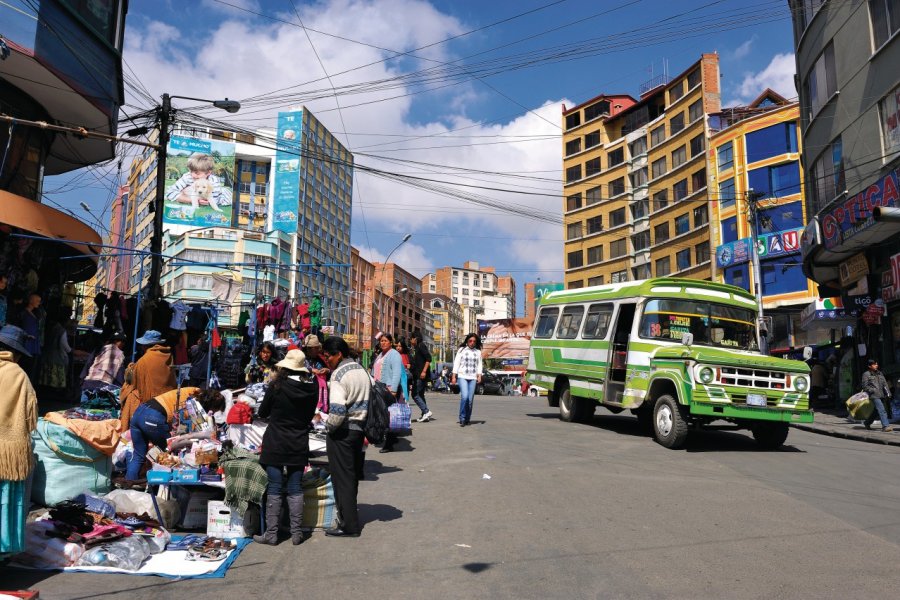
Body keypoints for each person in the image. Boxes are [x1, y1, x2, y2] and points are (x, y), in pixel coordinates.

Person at [253, 349, 319, 546]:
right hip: (298, 441)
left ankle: (271, 534)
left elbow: (263, 412)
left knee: (274, 486)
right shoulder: (312, 388)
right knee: (295, 487)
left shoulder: (277, 386)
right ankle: (296, 533)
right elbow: (308, 417)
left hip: (275, 441)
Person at [124, 387, 225, 485]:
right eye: (215, 410)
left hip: (139, 413)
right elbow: (189, 427)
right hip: (153, 417)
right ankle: (164, 486)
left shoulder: (196, 392)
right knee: (167, 451)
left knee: (138, 455)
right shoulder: (196, 400)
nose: (213, 413)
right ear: (212, 404)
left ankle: (129, 486)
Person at [321, 336, 369, 538]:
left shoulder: (339, 375)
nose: (326, 360)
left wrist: (328, 427)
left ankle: (349, 524)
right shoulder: (361, 370)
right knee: (351, 477)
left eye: (328, 356)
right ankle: (348, 518)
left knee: (343, 479)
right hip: (359, 430)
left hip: (343, 431)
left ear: (338, 354)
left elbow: (338, 411)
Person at [0, 325, 38, 557]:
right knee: (5, 499)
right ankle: (3, 549)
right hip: (10, 455)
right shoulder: (19, 375)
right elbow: (31, 415)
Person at [119, 330, 176, 432]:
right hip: (167, 401)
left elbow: (135, 384)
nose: (141, 347)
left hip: (151, 404)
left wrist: (131, 368)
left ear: (146, 345)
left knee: (131, 395)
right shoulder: (168, 356)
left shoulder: (144, 360)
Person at [164, 152, 231, 216]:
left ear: (208, 173)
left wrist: (186, 193)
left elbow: (212, 200)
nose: (193, 175)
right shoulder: (187, 176)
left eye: (197, 173)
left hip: (222, 196)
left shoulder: (213, 181)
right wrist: (190, 200)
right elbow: (170, 192)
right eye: (191, 171)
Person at [373, 333, 403, 452]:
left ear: (391, 342)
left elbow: (397, 372)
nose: (383, 343)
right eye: (381, 341)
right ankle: (389, 438)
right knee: (382, 414)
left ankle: (389, 443)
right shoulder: (381, 354)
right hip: (379, 387)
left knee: (388, 416)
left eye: (385, 341)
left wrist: (394, 389)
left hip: (389, 388)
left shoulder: (394, 354)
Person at [452, 333, 483, 427]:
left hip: (473, 377)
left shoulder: (478, 352)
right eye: (470, 341)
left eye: (474, 341)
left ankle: (467, 418)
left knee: (470, 400)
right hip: (462, 376)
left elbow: (480, 364)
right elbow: (456, 363)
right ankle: (462, 418)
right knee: (464, 397)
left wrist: (479, 375)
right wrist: (454, 376)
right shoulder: (461, 350)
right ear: (467, 341)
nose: (472, 343)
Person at [37, 311, 71, 392]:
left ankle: (46, 390)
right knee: (55, 378)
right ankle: (54, 391)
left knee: (46, 378)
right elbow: (64, 345)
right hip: (56, 357)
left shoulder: (50, 328)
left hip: (46, 355)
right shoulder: (61, 330)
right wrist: (70, 351)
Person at [862, 359, 895, 432]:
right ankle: (885, 426)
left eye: (876, 364)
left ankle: (867, 422)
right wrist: (872, 391)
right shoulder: (866, 374)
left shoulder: (880, 373)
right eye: (874, 364)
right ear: (869, 366)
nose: (876, 365)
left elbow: (885, 384)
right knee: (882, 410)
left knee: (877, 411)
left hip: (882, 394)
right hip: (874, 395)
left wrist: (888, 393)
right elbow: (865, 386)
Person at [408, 331, 434, 422]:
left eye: (411, 338)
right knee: (421, 394)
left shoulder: (421, 345)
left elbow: (428, 359)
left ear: (415, 338)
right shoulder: (415, 348)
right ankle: (425, 414)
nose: (410, 340)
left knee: (415, 394)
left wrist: (423, 371)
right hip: (417, 374)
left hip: (421, 375)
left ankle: (426, 411)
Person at [302, 334, 330, 414]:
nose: (318, 350)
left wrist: (327, 371)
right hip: (303, 393)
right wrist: (311, 370)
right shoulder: (301, 358)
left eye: (318, 348)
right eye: (316, 348)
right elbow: (295, 369)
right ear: (309, 349)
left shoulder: (320, 359)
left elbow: (330, 373)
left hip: (317, 395)